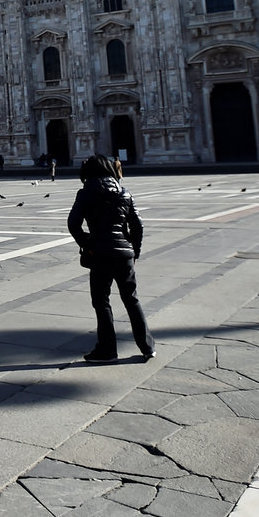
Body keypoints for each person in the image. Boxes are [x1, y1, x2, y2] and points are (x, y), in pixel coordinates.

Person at [67, 155, 155, 362]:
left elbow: (73, 224)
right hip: (124, 254)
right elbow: (138, 225)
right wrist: (135, 250)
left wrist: (87, 245)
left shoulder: (86, 193)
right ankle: (147, 346)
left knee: (101, 302)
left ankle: (107, 351)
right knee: (132, 299)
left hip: (100, 254)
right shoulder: (125, 193)